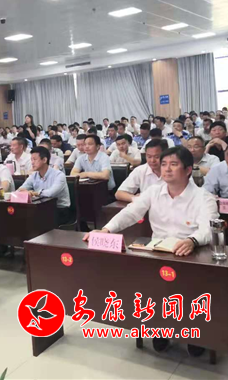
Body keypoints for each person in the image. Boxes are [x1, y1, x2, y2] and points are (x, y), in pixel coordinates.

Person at [84, 146, 218, 356]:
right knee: (151, 290)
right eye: (164, 164)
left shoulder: (203, 197)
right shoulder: (154, 191)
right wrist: (106, 230)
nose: (167, 169)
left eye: (173, 164)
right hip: (158, 252)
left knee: (190, 293)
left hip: (191, 254)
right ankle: (160, 328)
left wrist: (192, 240)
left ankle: (195, 334)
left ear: (188, 169)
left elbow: (208, 229)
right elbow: (130, 213)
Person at [19, 146, 71, 226]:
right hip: (41, 209)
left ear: (44, 160)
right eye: (31, 159)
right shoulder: (34, 175)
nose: (32, 162)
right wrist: (25, 191)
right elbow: (21, 189)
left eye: (35, 159)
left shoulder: (59, 175)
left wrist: (34, 193)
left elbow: (51, 193)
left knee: (34, 222)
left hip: (60, 210)